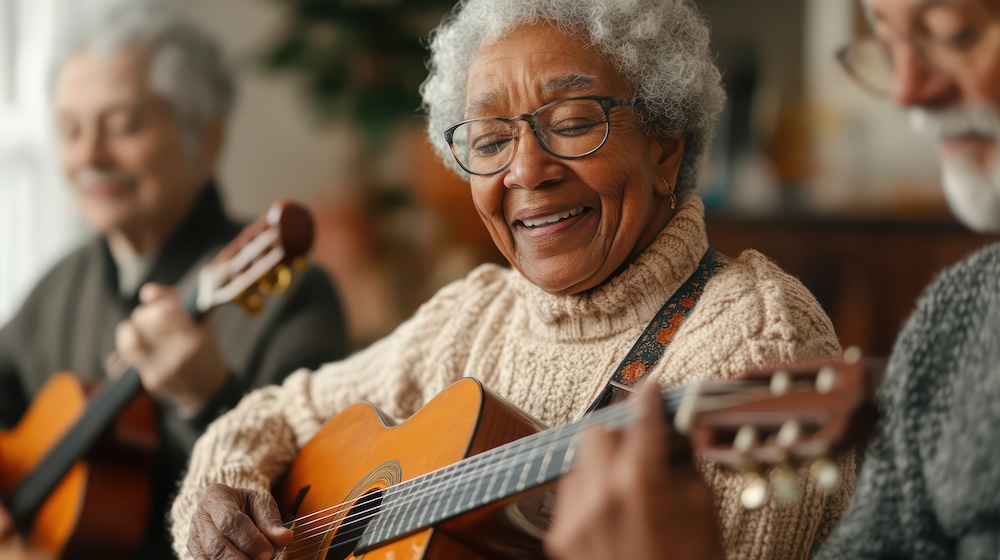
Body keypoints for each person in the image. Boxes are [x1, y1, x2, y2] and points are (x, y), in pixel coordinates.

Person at [171, 0, 854, 559]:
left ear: (664, 147)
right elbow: (278, 412)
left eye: (573, 122)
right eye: (491, 141)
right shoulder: (475, 314)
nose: (526, 171)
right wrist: (224, 496)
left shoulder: (756, 345)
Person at [544, 0, 1000, 559]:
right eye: (888, 44)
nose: (906, 91)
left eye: (955, 36)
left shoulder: (757, 330)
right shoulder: (962, 311)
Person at [0, 2, 349, 558]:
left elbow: (320, 498)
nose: (89, 155)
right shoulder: (59, 287)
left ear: (205, 139)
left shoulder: (298, 297)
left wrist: (209, 397)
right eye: (70, 130)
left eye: (123, 126)